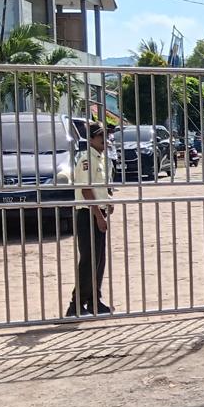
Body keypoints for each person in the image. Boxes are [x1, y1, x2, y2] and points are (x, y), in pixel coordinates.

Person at [68, 121, 114, 317]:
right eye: (101, 135)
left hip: (98, 212)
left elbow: (100, 188)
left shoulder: (101, 159)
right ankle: (76, 305)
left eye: (106, 134)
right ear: (91, 138)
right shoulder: (87, 159)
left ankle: (94, 301)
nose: (105, 138)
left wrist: (108, 202)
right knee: (88, 261)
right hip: (88, 214)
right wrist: (98, 216)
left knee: (99, 261)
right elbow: (86, 190)